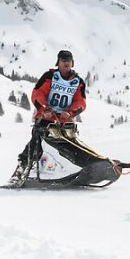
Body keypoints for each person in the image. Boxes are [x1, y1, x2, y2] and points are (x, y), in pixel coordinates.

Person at [9, 49, 88, 186]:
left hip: (65, 123)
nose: (66, 63)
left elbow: (80, 102)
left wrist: (70, 113)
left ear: (72, 63)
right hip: (45, 120)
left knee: (71, 148)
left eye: (68, 61)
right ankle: (19, 174)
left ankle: (78, 170)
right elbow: (37, 94)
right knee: (35, 146)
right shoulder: (49, 76)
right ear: (58, 62)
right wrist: (44, 109)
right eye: (63, 60)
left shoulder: (78, 82)